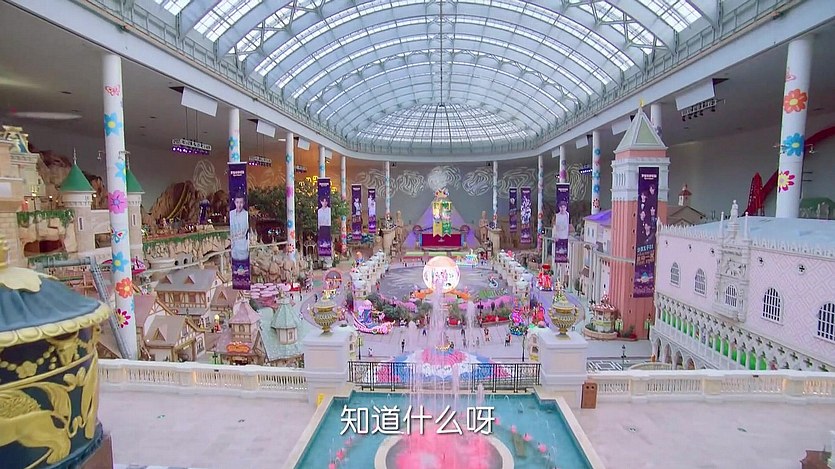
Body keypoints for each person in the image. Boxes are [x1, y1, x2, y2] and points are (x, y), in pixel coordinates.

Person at [229, 193, 249, 261]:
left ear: (244, 203)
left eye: (241, 202)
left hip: (242, 246)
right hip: (233, 247)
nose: (239, 205)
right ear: (234, 202)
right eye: (237, 202)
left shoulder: (246, 215)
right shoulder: (231, 214)